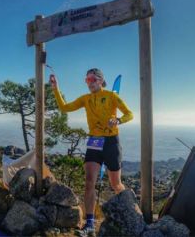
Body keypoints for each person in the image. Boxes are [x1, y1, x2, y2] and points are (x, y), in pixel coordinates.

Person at [49, 68, 133, 235]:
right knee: (89, 182)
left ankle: (132, 212)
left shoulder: (112, 96)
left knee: (115, 184)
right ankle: (89, 224)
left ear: (101, 80)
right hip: (95, 141)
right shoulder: (85, 99)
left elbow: (129, 114)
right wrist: (55, 88)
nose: (90, 83)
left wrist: (118, 119)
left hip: (111, 142)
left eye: (93, 79)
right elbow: (64, 108)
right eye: (87, 80)